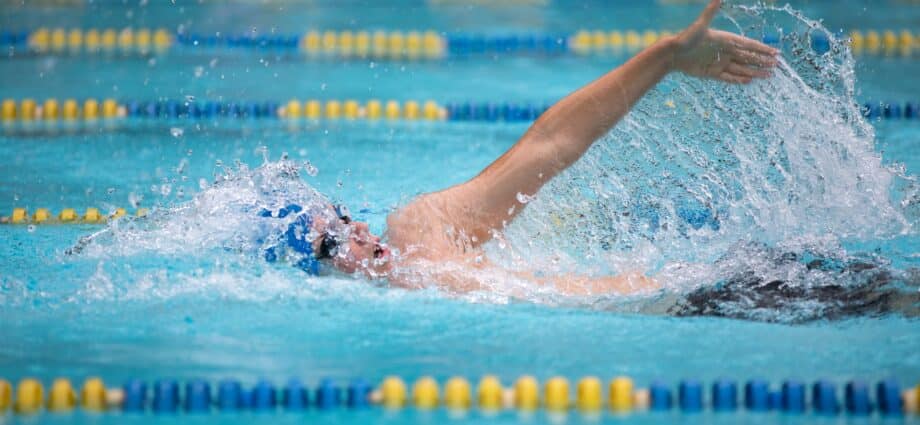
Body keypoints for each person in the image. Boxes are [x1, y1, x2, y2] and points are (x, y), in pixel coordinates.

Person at [272, 0, 779, 296]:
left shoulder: (419, 231)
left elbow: (548, 146)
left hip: (722, 290)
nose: (358, 231)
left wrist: (664, 57)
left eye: (343, 218)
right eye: (332, 244)